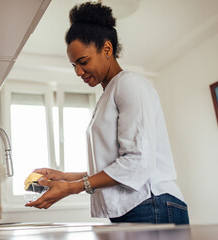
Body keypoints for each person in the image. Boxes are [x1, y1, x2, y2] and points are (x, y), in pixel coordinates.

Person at [25, 1, 189, 225]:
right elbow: (115, 167)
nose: (79, 72)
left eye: (83, 62)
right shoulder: (109, 93)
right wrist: (64, 177)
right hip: (136, 207)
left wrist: (71, 188)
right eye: (74, 66)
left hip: (151, 203)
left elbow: (136, 161)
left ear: (107, 49)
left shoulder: (130, 84)